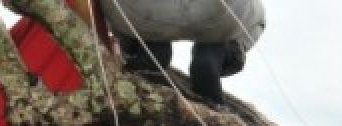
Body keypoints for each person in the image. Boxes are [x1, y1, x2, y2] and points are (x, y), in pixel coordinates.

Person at [102, 0, 267, 103]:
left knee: (205, 63)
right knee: (256, 18)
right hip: (225, 14)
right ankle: (216, 51)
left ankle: (147, 50)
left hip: (139, 13)